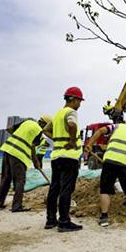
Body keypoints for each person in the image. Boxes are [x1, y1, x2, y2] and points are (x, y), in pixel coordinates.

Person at [44, 87, 84, 232]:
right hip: (70, 157)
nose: (80, 104)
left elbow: (46, 130)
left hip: (56, 157)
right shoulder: (71, 112)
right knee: (66, 189)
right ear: (73, 99)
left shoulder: (57, 114)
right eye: (79, 101)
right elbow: (72, 125)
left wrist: (57, 140)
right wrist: (72, 141)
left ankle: (50, 220)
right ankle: (64, 222)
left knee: (54, 188)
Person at [0, 116, 48, 212]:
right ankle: (17, 206)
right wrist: (36, 162)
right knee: (20, 180)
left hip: (8, 149)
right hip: (19, 155)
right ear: (44, 124)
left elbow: (9, 129)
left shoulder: (27, 122)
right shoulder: (39, 131)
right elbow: (33, 147)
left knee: (5, 178)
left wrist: (18, 138)